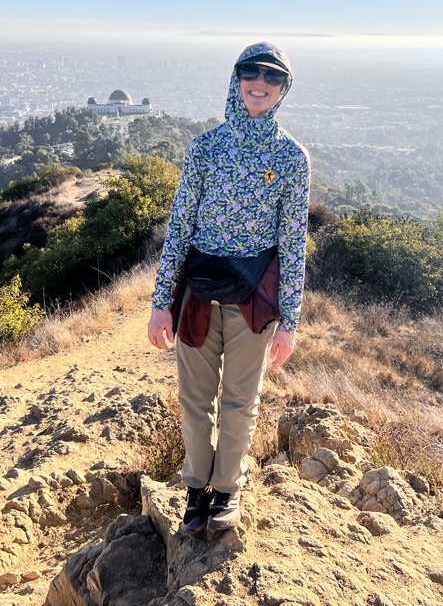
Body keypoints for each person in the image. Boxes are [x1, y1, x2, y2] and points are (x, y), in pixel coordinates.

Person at [147, 41, 310, 534]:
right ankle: (196, 491)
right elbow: (179, 227)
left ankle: (227, 493)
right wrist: (160, 305)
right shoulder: (206, 148)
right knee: (194, 399)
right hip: (196, 294)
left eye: (272, 77)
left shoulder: (290, 158)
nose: (259, 83)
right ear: (236, 78)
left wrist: (290, 321)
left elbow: (292, 245)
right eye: (250, 72)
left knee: (241, 400)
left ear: (284, 89)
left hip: (254, 301)